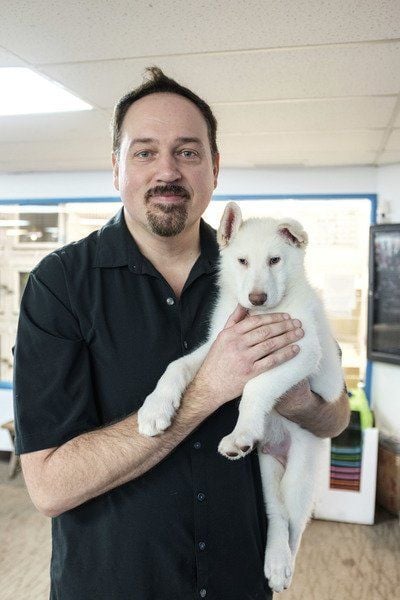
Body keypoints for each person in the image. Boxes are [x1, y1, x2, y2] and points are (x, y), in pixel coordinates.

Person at [13, 67, 350, 600]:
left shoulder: (262, 273)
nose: (167, 170)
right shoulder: (60, 286)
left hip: (239, 580)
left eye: (188, 152)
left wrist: (293, 396)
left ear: (214, 168)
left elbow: (335, 416)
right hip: (114, 585)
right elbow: (50, 487)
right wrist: (209, 389)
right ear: (116, 168)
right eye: (144, 152)